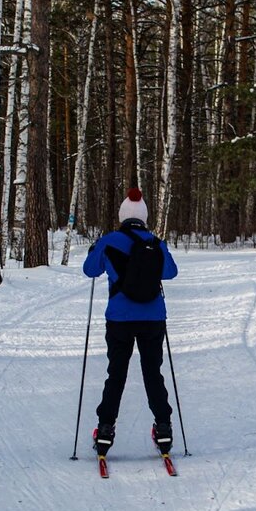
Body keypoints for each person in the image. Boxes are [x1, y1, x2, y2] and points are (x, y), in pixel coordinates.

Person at [82, 188, 179, 456]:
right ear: (144, 217)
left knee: (117, 374)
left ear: (123, 215)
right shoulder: (156, 243)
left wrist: (95, 249)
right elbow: (170, 272)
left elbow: (90, 270)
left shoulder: (109, 241)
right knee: (152, 373)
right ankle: (163, 428)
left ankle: (104, 430)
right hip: (152, 318)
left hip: (120, 319)